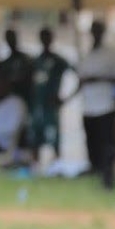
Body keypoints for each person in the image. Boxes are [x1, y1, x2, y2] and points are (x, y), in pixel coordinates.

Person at [76, 19, 115, 190]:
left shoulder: (111, 54)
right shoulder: (87, 54)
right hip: (88, 107)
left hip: (106, 106)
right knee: (92, 144)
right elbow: (80, 81)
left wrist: (99, 78)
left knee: (107, 145)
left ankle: (108, 178)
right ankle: (95, 174)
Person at [30, 27, 75, 165]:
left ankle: (57, 165)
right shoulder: (35, 61)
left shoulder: (59, 61)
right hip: (37, 106)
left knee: (54, 137)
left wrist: (66, 98)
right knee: (35, 137)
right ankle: (36, 166)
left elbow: (79, 76)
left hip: (51, 106)